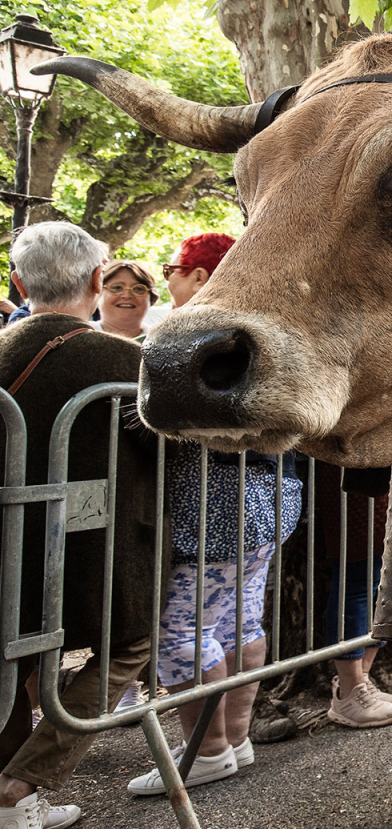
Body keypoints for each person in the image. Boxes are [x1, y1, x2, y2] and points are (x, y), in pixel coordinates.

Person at [0, 222, 165, 829]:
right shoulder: (125, 361)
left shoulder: (3, 350)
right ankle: (20, 786)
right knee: (129, 644)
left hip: (11, 546)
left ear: (18, 283)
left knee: (13, 661)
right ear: (98, 281)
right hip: (103, 550)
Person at [127, 231, 300, 796]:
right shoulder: (268, 330)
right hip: (270, 500)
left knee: (180, 631)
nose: (169, 278)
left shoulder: (200, 338)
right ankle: (234, 738)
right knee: (239, 620)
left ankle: (208, 751)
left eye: (173, 267)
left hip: (214, 508)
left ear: (201, 277)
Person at [315, 469, 392, 728]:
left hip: (382, 476)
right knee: (357, 579)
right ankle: (349, 689)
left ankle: (360, 680)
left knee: (382, 581)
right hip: (353, 477)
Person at [96, 260, 161, 341]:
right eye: (117, 288)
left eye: (138, 289)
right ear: (98, 293)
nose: (127, 296)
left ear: (151, 298)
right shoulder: (79, 335)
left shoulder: (161, 341)